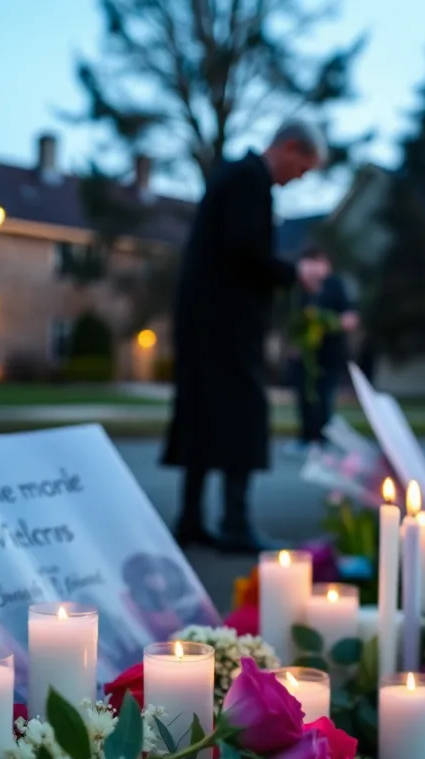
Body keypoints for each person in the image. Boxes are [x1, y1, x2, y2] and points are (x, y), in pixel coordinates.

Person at [162, 119, 330, 553]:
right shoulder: (250, 181)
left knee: (201, 414)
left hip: (204, 320)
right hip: (226, 325)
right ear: (290, 147)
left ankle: (192, 519)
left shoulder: (234, 177)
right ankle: (234, 524)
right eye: (303, 169)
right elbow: (245, 251)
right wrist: (295, 271)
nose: (299, 179)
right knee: (242, 414)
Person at [288, 246, 358, 454]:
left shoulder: (335, 285)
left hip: (330, 354)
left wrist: (334, 322)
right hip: (306, 354)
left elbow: (350, 315)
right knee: (304, 396)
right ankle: (305, 438)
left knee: (324, 397)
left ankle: (321, 439)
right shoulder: (298, 288)